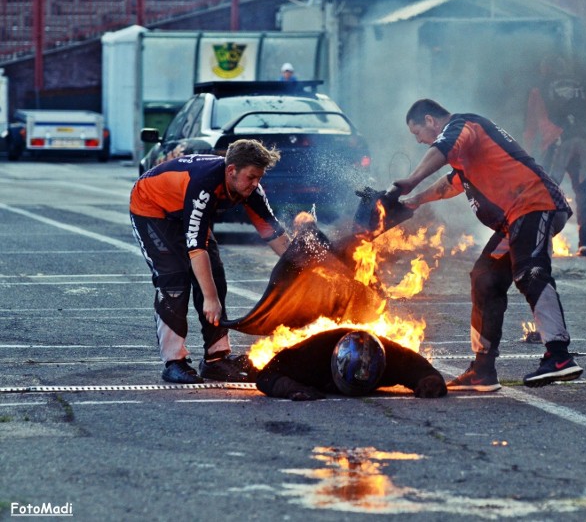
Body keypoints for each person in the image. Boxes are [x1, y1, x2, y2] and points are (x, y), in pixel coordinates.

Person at [388, 99, 584, 391]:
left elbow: (441, 149)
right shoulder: (464, 155)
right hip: (514, 219)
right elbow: (452, 182)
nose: (419, 141)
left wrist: (412, 180)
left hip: (535, 203)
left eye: (418, 133)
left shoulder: (463, 124)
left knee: (530, 272)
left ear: (430, 120)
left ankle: (558, 357)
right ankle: (482, 370)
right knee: (484, 278)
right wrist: (416, 200)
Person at [130, 139, 291, 384]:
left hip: (185, 211)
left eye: (259, 177)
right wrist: (210, 298)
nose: (255, 183)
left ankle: (216, 358)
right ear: (231, 171)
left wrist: (301, 265)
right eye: (251, 177)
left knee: (215, 274)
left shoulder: (250, 189)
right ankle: (174, 361)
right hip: (152, 209)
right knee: (174, 280)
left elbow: (273, 233)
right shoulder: (204, 184)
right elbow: (196, 249)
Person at [523, 55, 586, 256]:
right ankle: (584, 242)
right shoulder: (584, 86)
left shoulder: (540, 88)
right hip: (584, 142)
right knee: (583, 192)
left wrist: (526, 154)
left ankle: (543, 240)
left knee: (547, 190)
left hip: (557, 143)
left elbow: (532, 124)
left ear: (547, 68)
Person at [255, 328, 447, 400]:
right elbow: (266, 375)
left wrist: (431, 383)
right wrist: (291, 388)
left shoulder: (391, 358)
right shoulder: (310, 357)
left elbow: (425, 372)